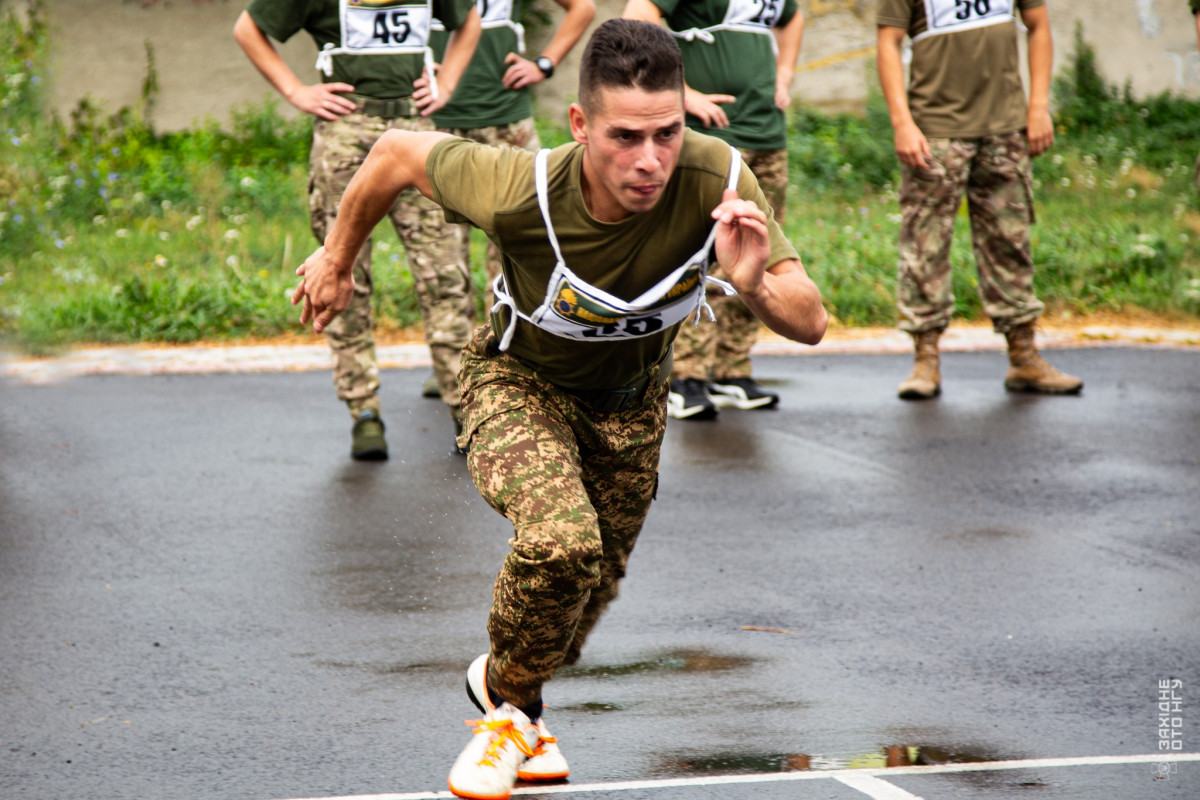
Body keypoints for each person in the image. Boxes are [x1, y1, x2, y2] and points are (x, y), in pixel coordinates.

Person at [291, 19, 827, 798]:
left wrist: (752, 282)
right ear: (580, 125)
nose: (649, 161)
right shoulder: (521, 189)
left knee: (581, 600)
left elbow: (810, 320)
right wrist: (338, 260)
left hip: (634, 406)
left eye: (667, 132)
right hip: (519, 383)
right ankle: (506, 721)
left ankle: (513, 689)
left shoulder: (716, 177)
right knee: (560, 544)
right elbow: (394, 154)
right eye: (624, 137)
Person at [233, 0, 482, 460]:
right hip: (347, 130)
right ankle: (363, 410)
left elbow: (469, 21)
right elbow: (248, 28)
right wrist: (295, 91)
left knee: (445, 276)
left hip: (415, 130)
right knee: (342, 272)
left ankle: (464, 407)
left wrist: (446, 84)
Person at [876, 0, 1082, 400]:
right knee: (925, 245)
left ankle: (1024, 357)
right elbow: (888, 42)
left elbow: (1038, 25)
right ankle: (925, 361)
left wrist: (1038, 106)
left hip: (1005, 127)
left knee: (1011, 241)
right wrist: (903, 122)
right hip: (936, 130)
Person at [623, 0, 804, 421]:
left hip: (766, 132)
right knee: (696, 255)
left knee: (758, 253)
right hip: (712, 139)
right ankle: (683, 374)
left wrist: (785, 73)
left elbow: (791, 19)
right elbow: (635, 18)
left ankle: (731, 369)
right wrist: (681, 96)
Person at [430, 0, 596, 309]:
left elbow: (582, 7)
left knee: (522, 252)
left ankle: (507, 346)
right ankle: (454, 356)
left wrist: (544, 63)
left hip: (507, 122)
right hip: (437, 125)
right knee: (442, 265)